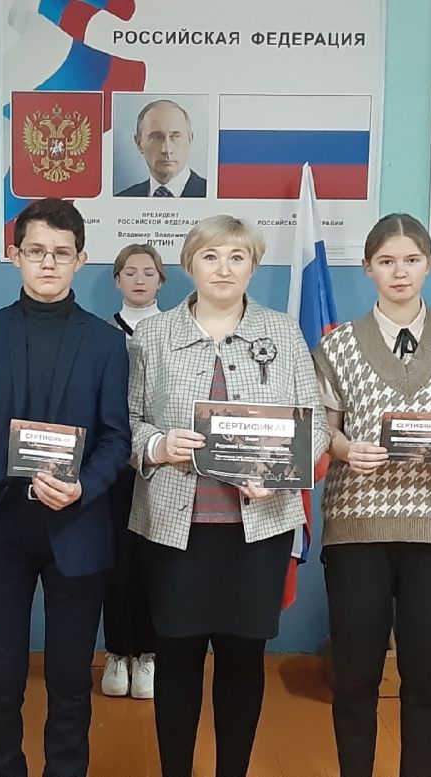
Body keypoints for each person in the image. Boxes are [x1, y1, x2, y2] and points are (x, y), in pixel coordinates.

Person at [128, 215, 330, 777]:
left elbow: (314, 424)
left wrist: (281, 473)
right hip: (174, 529)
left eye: (237, 257)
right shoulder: (152, 335)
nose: (223, 268)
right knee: (177, 660)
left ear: (253, 267)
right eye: (211, 256)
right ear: (189, 265)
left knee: (243, 659)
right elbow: (129, 423)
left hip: (258, 531)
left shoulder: (282, 332)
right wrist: (159, 445)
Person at [0, 197, 131, 777]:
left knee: (71, 677)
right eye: (36, 251)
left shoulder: (106, 343)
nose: (48, 263)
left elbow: (116, 440)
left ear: (80, 259)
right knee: (1, 677)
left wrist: (83, 487)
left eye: (61, 253)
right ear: (15, 254)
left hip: (78, 527)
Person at [313, 214, 431, 777]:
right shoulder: (338, 344)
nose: (399, 272)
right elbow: (323, 427)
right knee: (355, 678)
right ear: (368, 268)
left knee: (426, 678)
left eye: (411, 260)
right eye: (386, 261)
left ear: (429, 265)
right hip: (358, 525)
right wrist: (344, 449)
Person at [101, 243, 165, 699]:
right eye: (130, 272)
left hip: (163, 463)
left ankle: (149, 654)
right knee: (117, 561)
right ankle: (117, 652)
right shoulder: (99, 333)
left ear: (161, 280)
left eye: (148, 272)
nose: (139, 279)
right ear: (117, 280)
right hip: (114, 466)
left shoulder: (176, 330)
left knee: (155, 562)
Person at [115, 99, 207, 198]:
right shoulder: (122, 199)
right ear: (138, 143)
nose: (166, 150)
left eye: (175, 136)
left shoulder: (211, 194)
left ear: (190, 140)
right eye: (156, 137)